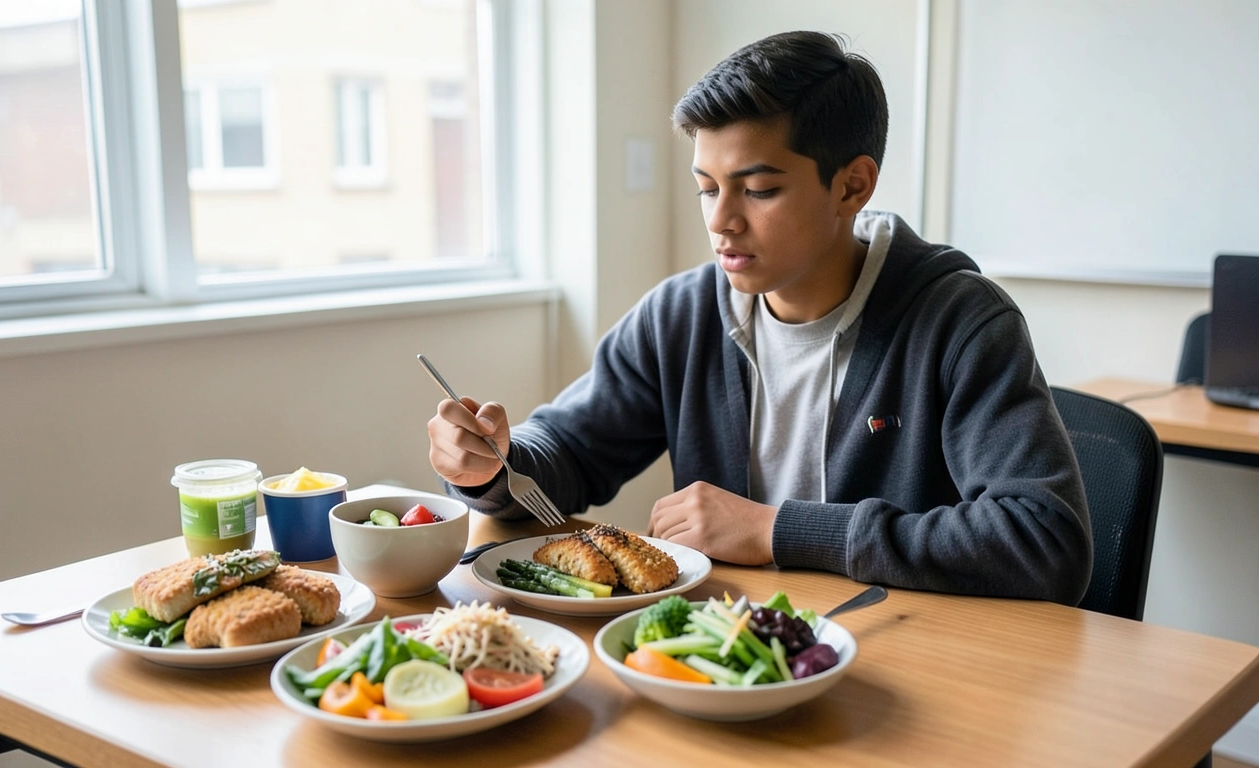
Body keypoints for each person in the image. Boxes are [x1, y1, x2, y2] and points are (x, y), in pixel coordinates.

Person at [426, 30, 1092, 605]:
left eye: (760, 190)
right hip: (736, 656)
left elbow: (1044, 541)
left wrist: (776, 529)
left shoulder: (959, 321)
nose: (721, 222)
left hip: (913, 658)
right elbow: (566, 454)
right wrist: (492, 464)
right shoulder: (680, 316)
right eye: (707, 189)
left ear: (853, 185)